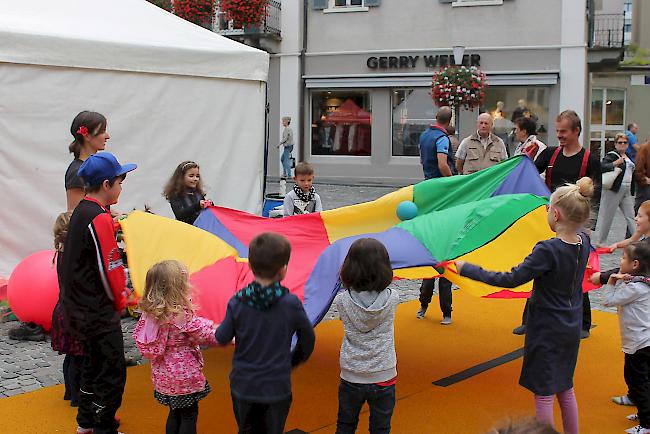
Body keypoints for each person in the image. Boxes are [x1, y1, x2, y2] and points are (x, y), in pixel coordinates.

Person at [457, 177, 594, 434]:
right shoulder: (583, 242)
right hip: (570, 326)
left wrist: (469, 269)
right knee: (566, 388)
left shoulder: (548, 249)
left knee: (543, 393)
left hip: (546, 328)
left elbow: (510, 279)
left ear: (555, 214)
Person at [61, 151, 136, 434]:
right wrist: (121, 298)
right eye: (120, 180)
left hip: (79, 307)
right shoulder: (98, 217)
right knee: (112, 371)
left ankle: (86, 422)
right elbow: (110, 267)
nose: (122, 186)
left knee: (92, 366)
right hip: (97, 310)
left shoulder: (83, 210)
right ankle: (104, 425)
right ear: (106, 184)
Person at [512, 110, 601, 338]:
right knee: (540, 268)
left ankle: (584, 323)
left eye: (563, 131)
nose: (559, 135)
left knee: (578, 272)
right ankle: (528, 320)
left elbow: (596, 194)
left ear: (576, 131)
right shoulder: (550, 154)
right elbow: (529, 172)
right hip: (552, 221)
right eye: (557, 131)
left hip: (578, 225)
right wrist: (521, 161)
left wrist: (590, 225)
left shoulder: (589, 159)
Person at [215, 232, 315, 434]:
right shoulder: (290, 303)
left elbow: (222, 337)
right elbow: (308, 340)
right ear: (283, 270)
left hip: (244, 385)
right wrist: (291, 362)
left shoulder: (237, 301)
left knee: (247, 429)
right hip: (276, 385)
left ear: (250, 266)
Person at [134, 260, 218, 434]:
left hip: (164, 377)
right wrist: (227, 334)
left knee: (175, 413)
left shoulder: (151, 313)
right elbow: (204, 334)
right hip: (184, 377)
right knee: (189, 415)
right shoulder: (179, 315)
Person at [334, 238, 399, 434]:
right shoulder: (393, 297)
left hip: (351, 373)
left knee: (345, 425)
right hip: (384, 373)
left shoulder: (342, 301)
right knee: (380, 428)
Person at [602, 242, 650, 434]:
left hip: (640, 342)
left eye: (623, 258)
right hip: (642, 340)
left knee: (637, 380)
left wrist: (612, 280)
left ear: (635, 264)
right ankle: (642, 409)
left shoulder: (635, 288)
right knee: (640, 378)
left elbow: (608, 300)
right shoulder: (640, 283)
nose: (620, 261)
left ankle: (647, 423)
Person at [417, 106, 455, 324]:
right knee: (442, 252)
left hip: (427, 187)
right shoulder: (442, 138)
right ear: (449, 121)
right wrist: (453, 182)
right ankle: (445, 311)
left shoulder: (424, 135)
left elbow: (423, 161)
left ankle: (423, 305)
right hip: (441, 191)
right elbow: (442, 163)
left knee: (430, 244)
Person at [50, 211, 85, 407]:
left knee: (72, 355)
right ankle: (77, 396)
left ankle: (69, 390)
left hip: (64, 309)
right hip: (75, 312)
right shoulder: (73, 255)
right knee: (79, 356)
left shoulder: (61, 252)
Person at [595, 132, 636, 245]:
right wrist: (614, 163)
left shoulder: (628, 156)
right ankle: (601, 242)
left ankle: (639, 239)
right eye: (620, 142)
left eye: (625, 142)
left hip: (626, 189)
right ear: (615, 144)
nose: (622, 144)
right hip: (614, 189)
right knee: (608, 216)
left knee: (631, 216)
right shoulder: (612, 155)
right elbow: (602, 167)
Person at [66, 111, 110, 211]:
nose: (107, 136)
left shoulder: (94, 168)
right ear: (87, 136)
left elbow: (98, 206)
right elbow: (74, 214)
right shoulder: (77, 172)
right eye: (102, 132)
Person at [635, 141, 650, 215]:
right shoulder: (645, 148)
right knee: (641, 211)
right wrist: (644, 179)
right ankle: (633, 227)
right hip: (645, 186)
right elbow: (638, 169)